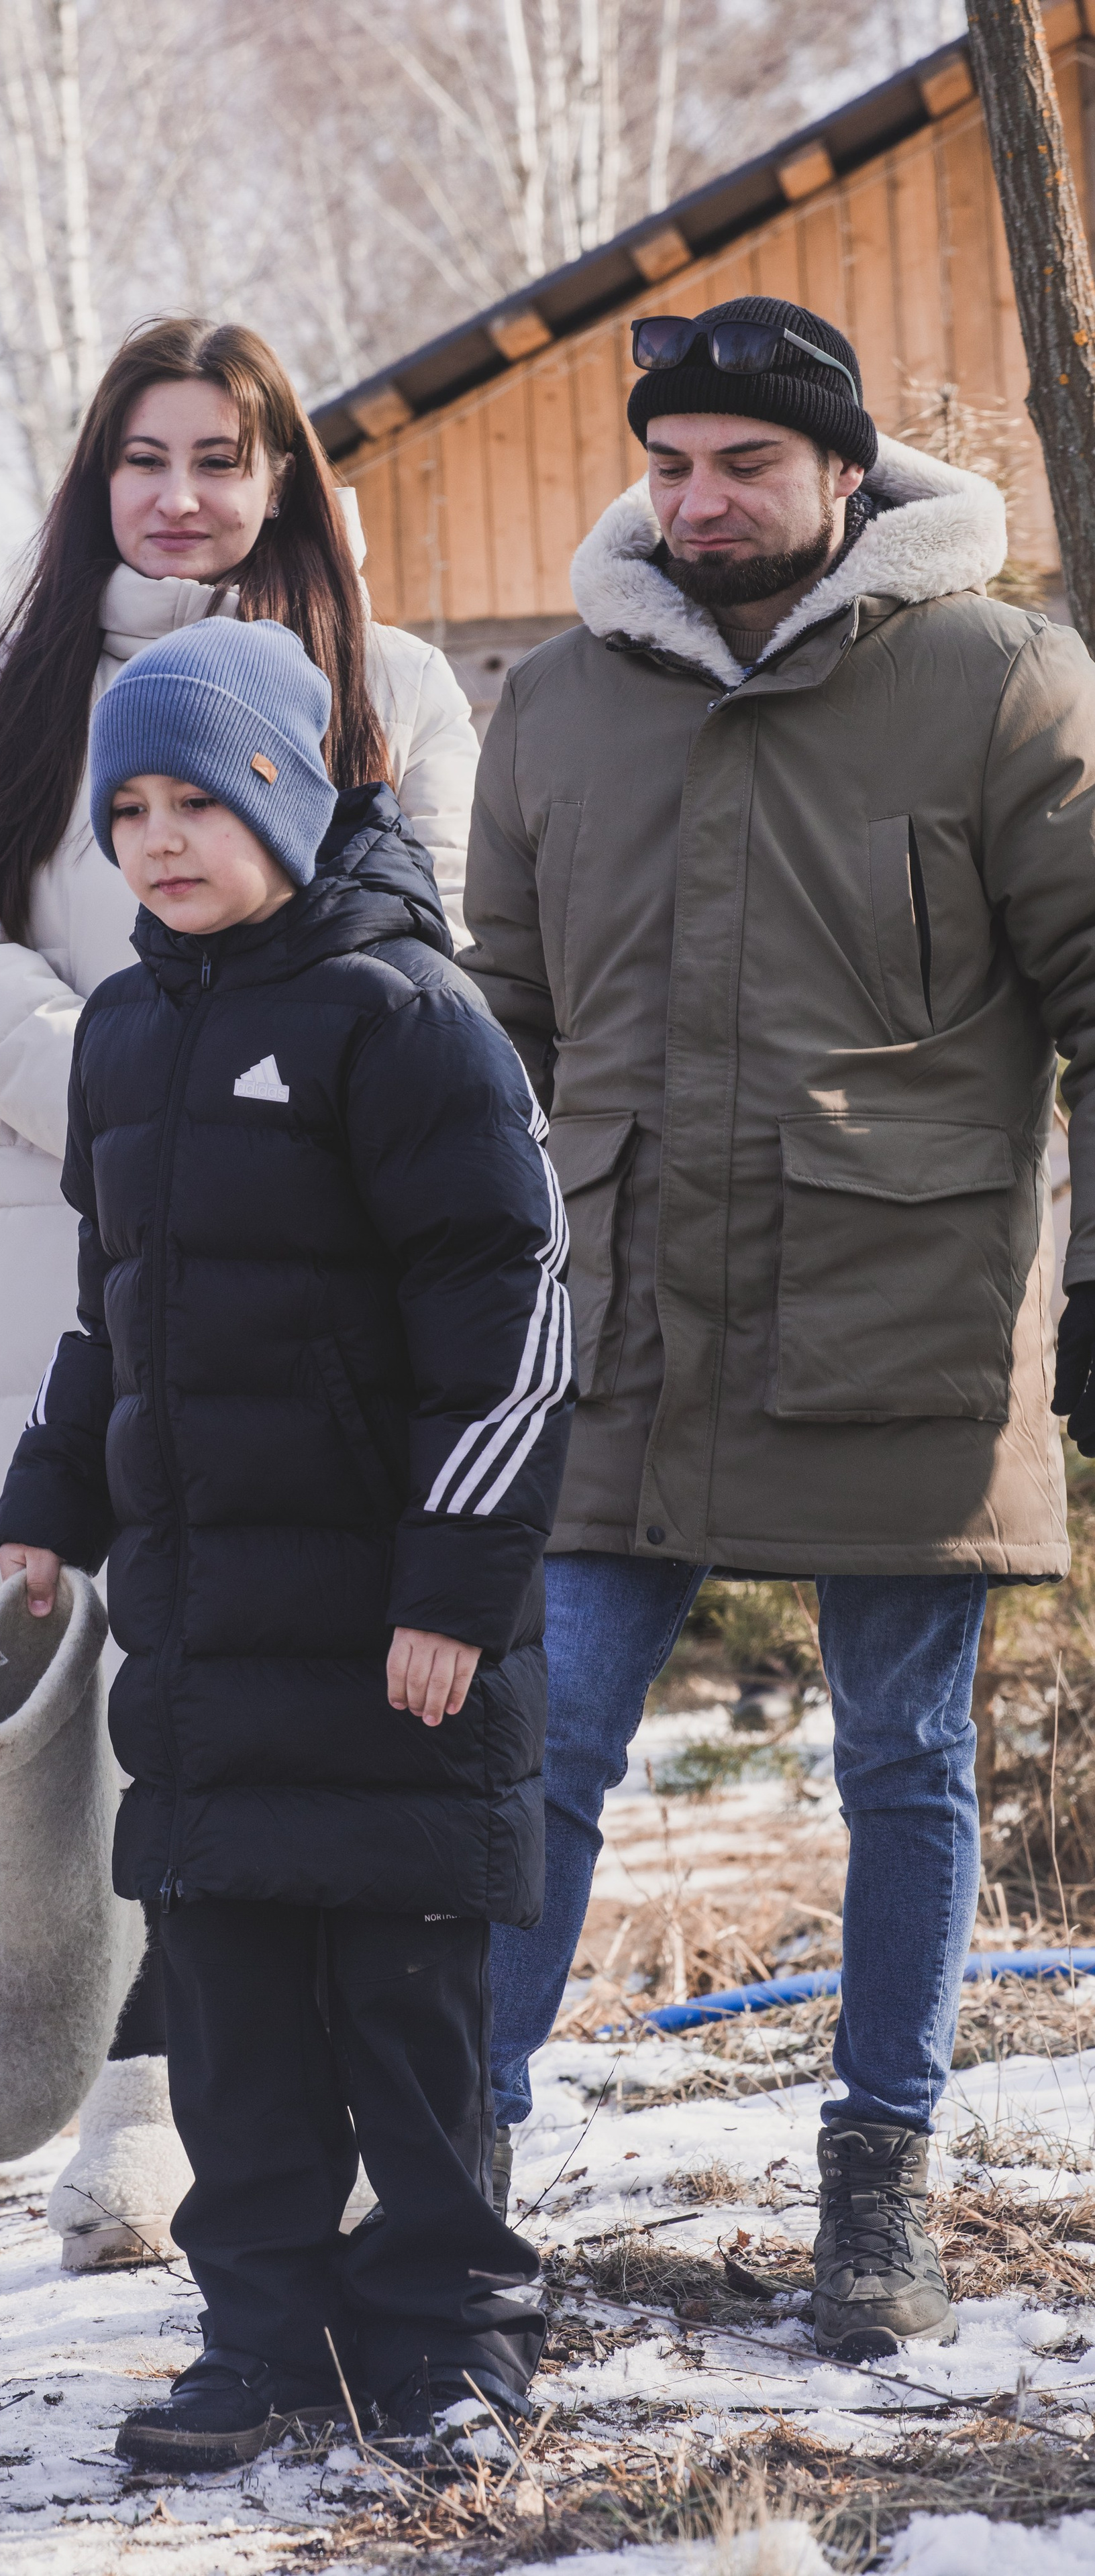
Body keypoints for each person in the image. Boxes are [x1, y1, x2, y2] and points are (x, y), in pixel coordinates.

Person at [461, 293, 1095, 2361]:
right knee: (535, 1741)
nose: (701, 498)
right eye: (671, 463)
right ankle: (461, 2167)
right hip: (621, 1317)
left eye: (746, 462)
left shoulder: (999, 680)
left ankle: (882, 2184)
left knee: (903, 1761)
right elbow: (502, 1034)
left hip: (901, 1311)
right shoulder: (556, 708)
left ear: (842, 476)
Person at [0, 315, 482, 2261]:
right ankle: (39, 1955)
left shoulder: (382, 685)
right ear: (97, 477)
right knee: (46, 1624)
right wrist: (132, 1093)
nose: (183, 494)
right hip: (63, 1212)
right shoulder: (15, 682)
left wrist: (238, 1105)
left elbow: (432, 945)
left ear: (287, 477)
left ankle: (171, 2101)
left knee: (237, 1658)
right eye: (146, 457)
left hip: (308, 1229)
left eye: (224, 457)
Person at [0, 616, 574, 2467]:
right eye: (129, 810)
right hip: (210, 1639)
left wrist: (456, 1590)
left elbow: (517, 1324)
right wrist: (52, 1497)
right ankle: (260, 2331)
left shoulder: (406, 1019)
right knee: (232, 2023)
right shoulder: (128, 1033)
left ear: (294, 799)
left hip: (397, 1638)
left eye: (202, 802)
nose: (161, 841)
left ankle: (449, 2335)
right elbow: (119, 1308)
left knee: (404, 2015)